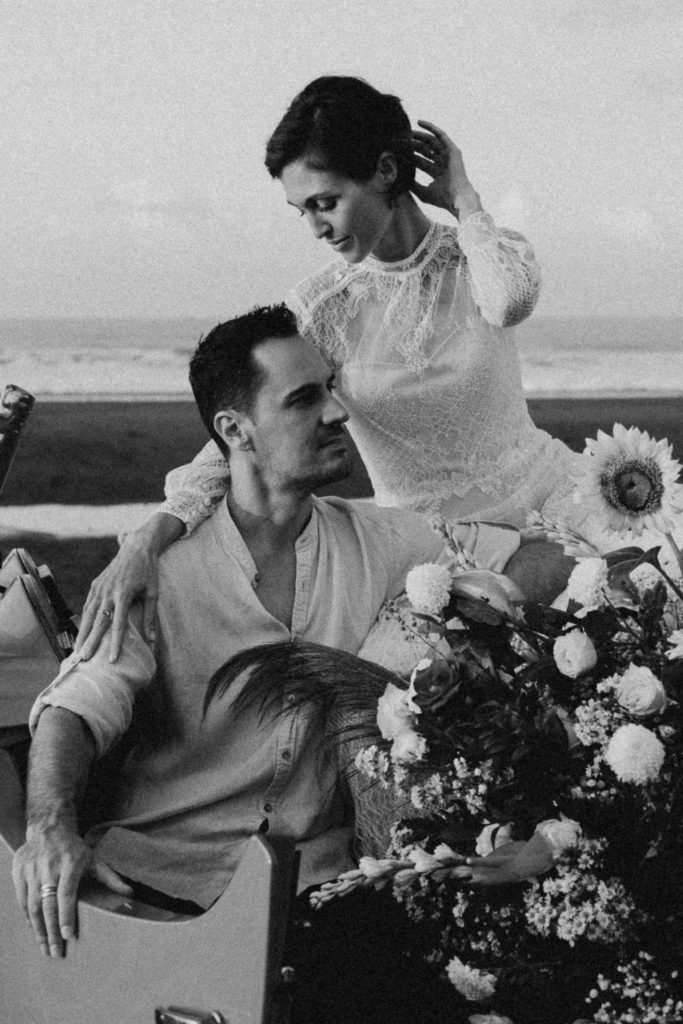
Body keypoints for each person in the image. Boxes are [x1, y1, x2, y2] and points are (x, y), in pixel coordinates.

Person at [13, 305, 531, 1022]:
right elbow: (77, 703)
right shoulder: (156, 568)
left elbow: (533, 555)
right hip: (156, 884)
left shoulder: (385, 542)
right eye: (303, 399)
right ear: (235, 431)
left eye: (330, 389)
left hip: (313, 895)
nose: (337, 413)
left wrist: (434, 626)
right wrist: (50, 828)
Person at [75, 74, 582, 659]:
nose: (316, 227)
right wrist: (150, 535)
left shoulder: (481, 256)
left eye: (326, 202)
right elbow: (241, 433)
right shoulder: (322, 309)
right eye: (301, 211)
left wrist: (466, 202)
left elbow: (511, 301)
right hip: (430, 554)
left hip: (553, 510)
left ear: (386, 173)